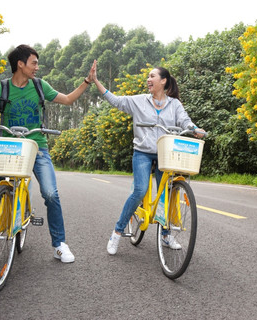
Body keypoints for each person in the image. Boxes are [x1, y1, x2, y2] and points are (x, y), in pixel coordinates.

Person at [0, 44, 94, 263]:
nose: (37, 67)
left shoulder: (39, 86)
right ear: (20, 64)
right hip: (9, 147)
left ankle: (59, 245)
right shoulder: (1, 89)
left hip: (36, 146)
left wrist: (87, 81)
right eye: (34, 63)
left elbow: (67, 100)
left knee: (51, 194)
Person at [86, 61, 205, 255]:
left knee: (166, 192)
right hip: (142, 152)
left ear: (163, 81)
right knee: (140, 190)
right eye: (148, 77)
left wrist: (195, 130)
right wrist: (96, 81)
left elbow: (185, 121)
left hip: (165, 154)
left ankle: (165, 234)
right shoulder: (139, 101)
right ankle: (117, 232)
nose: (148, 80)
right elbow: (115, 101)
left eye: (152, 76)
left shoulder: (174, 104)